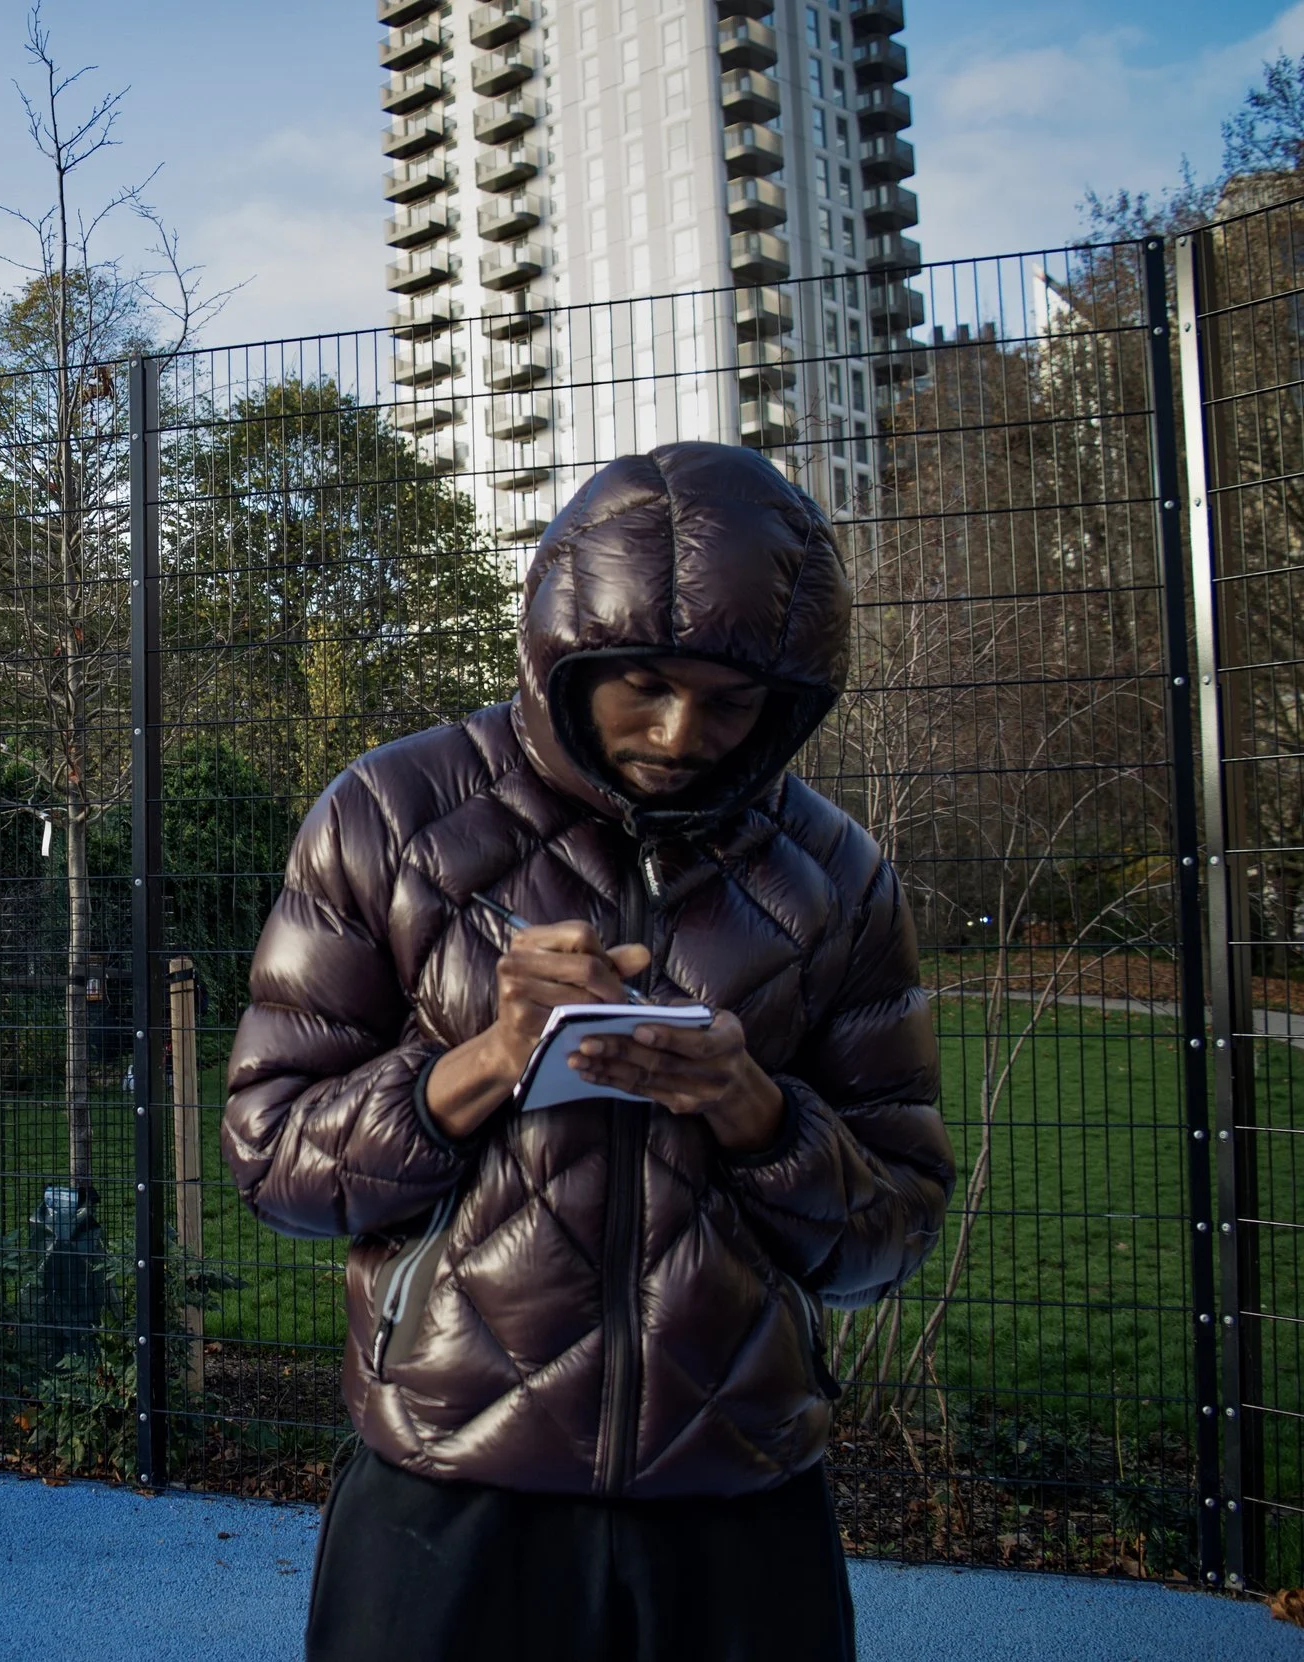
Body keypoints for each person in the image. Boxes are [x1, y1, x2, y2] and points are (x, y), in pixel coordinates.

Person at [222, 442, 954, 1662]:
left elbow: (895, 1225)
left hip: (737, 1499)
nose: (680, 733)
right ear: (569, 656)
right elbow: (273, 1166)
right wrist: (484, 1059)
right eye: (646, 687)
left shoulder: (835, 877)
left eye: (731, 703)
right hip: (451, 1486)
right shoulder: (388, 818)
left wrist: (756, 1117)